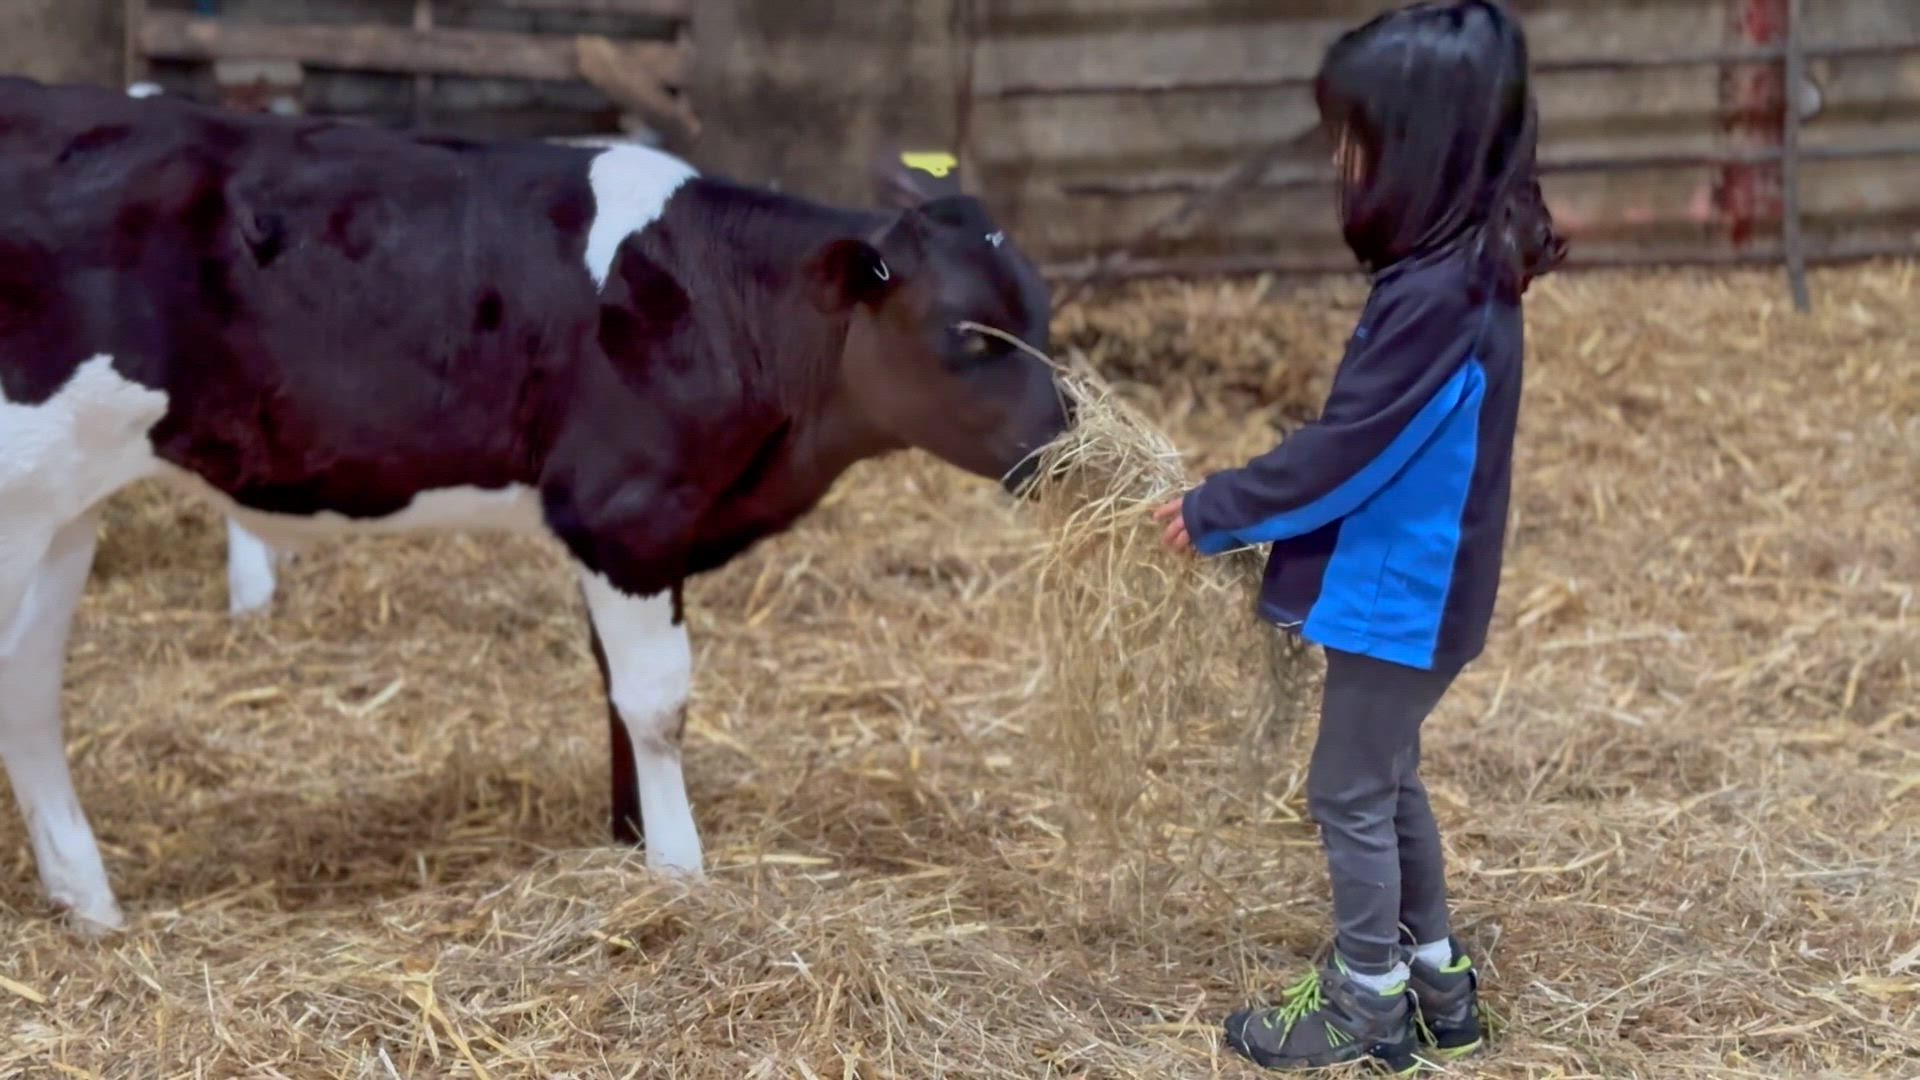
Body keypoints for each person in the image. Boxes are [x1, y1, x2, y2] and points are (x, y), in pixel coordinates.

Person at [1150, 1, 1566, 1072]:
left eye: (1359, 139)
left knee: (1345, 789)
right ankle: (1440, 987)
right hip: (1422, 585)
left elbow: (1350, 450)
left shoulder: (1440, 293)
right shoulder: (1466, 268)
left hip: (1404, 591)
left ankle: (1366, 1007)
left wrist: (1216, 510)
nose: (1343, 159)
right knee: (1389, 781)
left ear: (1419, 152)